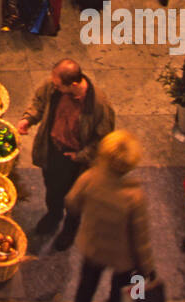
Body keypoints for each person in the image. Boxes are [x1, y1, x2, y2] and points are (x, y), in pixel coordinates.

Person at [66, 130, 155, 302]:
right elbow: (140, 237)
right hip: (121, 256)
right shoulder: (134, 196)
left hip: (94, 247)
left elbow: (71, 202)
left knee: (86, 287)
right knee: (121, 284)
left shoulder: (89, 179)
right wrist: (147, 266)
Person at [16, 58, 115, 246]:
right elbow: (39, 102)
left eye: (58, 84)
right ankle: (54, 215)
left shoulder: (98, 106)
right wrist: (28, 119)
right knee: (53, 189)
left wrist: (81, 156)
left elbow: (103, 140)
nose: (54, 85)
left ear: (74, 84)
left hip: (77, 162)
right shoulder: (54, 88)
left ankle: (70, 229)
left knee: (74, 199)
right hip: (53, 150)